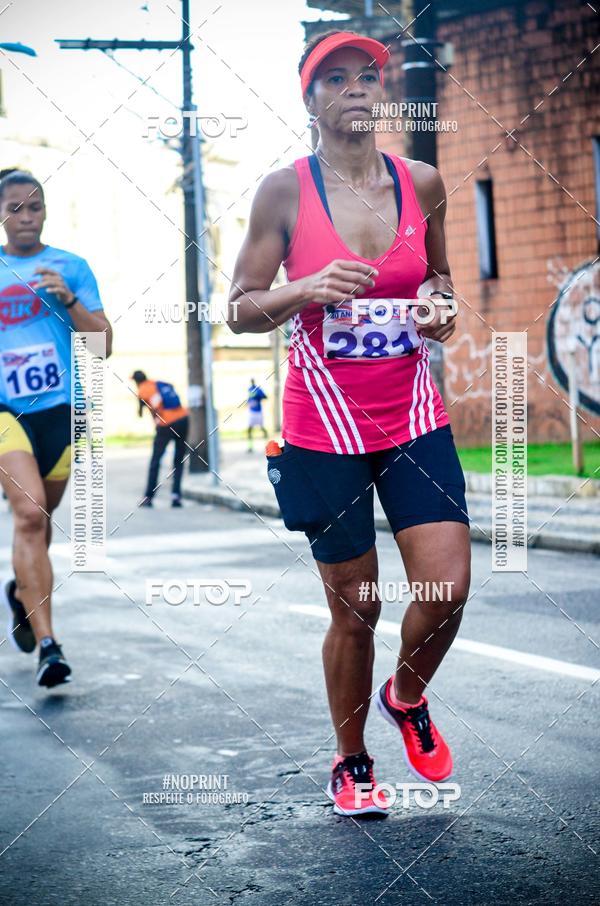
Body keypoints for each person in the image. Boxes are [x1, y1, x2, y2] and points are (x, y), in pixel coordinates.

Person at [228, 31, 471, 817]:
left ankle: (407, 695)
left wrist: (441, 307)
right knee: (357, 608)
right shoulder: (283, 191)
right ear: (311, 99)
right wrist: (305, 289)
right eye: (337, 78)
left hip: (411, 414)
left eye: (368, 76)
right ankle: (352, 759)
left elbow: (441, 277)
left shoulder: (423, 180)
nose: (358, 89)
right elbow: (238, 309)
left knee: (449, 587)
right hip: (322, 429)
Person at [0, 168, 113, 687]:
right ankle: (50, 645)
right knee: (28, 515)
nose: (25, 218)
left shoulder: (71, 267)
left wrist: (67, 299)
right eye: (14, 209)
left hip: (66, 410)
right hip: (6, 411)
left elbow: (104, 345)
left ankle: (21, 592)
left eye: (34, 208)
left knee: (41, 525)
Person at [131, 370, 189, 507]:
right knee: (178, 460)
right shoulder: (157, 384)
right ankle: (176, 497)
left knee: (155, 460)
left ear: (136, 381)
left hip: (166, 424)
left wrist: (156, 419)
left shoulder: (143, 390)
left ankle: (148, 497)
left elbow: (145, 411)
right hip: (183, 419)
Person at [246, 377, 268, 452]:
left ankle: (267, 446)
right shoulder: (249, 389)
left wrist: (260, 396)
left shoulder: (258, 389)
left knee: (262, 428)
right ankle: (250, 447)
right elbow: (249, 399)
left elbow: (265, 396)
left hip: (258, 412)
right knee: (249, 429)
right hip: (251, 412)